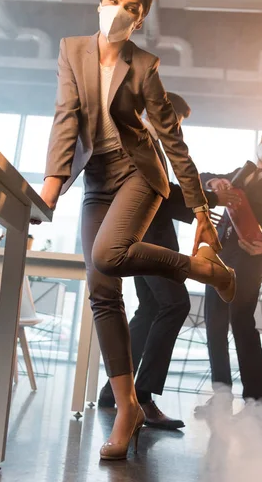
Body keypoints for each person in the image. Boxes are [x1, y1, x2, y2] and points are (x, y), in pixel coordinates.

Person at [34, 0, 235, 460]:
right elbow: (66, 118)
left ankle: (201, 269)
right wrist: (51, 188)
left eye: (131, 6)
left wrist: (202, 211)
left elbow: (173, 141)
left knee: (109, 254)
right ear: (99, 2)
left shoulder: (144, 65)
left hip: (138, 175)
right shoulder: (71, 50)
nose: (118, 10)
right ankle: (127, 406)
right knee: (103, 291)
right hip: (96, 181)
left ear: (140, 17)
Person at [98, 92, 224, 430]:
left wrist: (204, 204)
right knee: (175, 305)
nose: (176, 127)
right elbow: (161, 193)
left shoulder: (146, 142)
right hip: (147, 239)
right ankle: (142, 394)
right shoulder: (140, 141)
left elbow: (164, 192)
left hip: (140, 237)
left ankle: (114, 391)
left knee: (151, 309)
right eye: (176, 120)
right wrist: (207, 200)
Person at [196, 126, 262, 411]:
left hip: (249, 258)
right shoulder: (239, 174)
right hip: (219, 253)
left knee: (241, 322)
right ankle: (221, 394)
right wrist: (214, 182)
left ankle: (255, 399)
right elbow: (202, 179)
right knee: (214, 323)